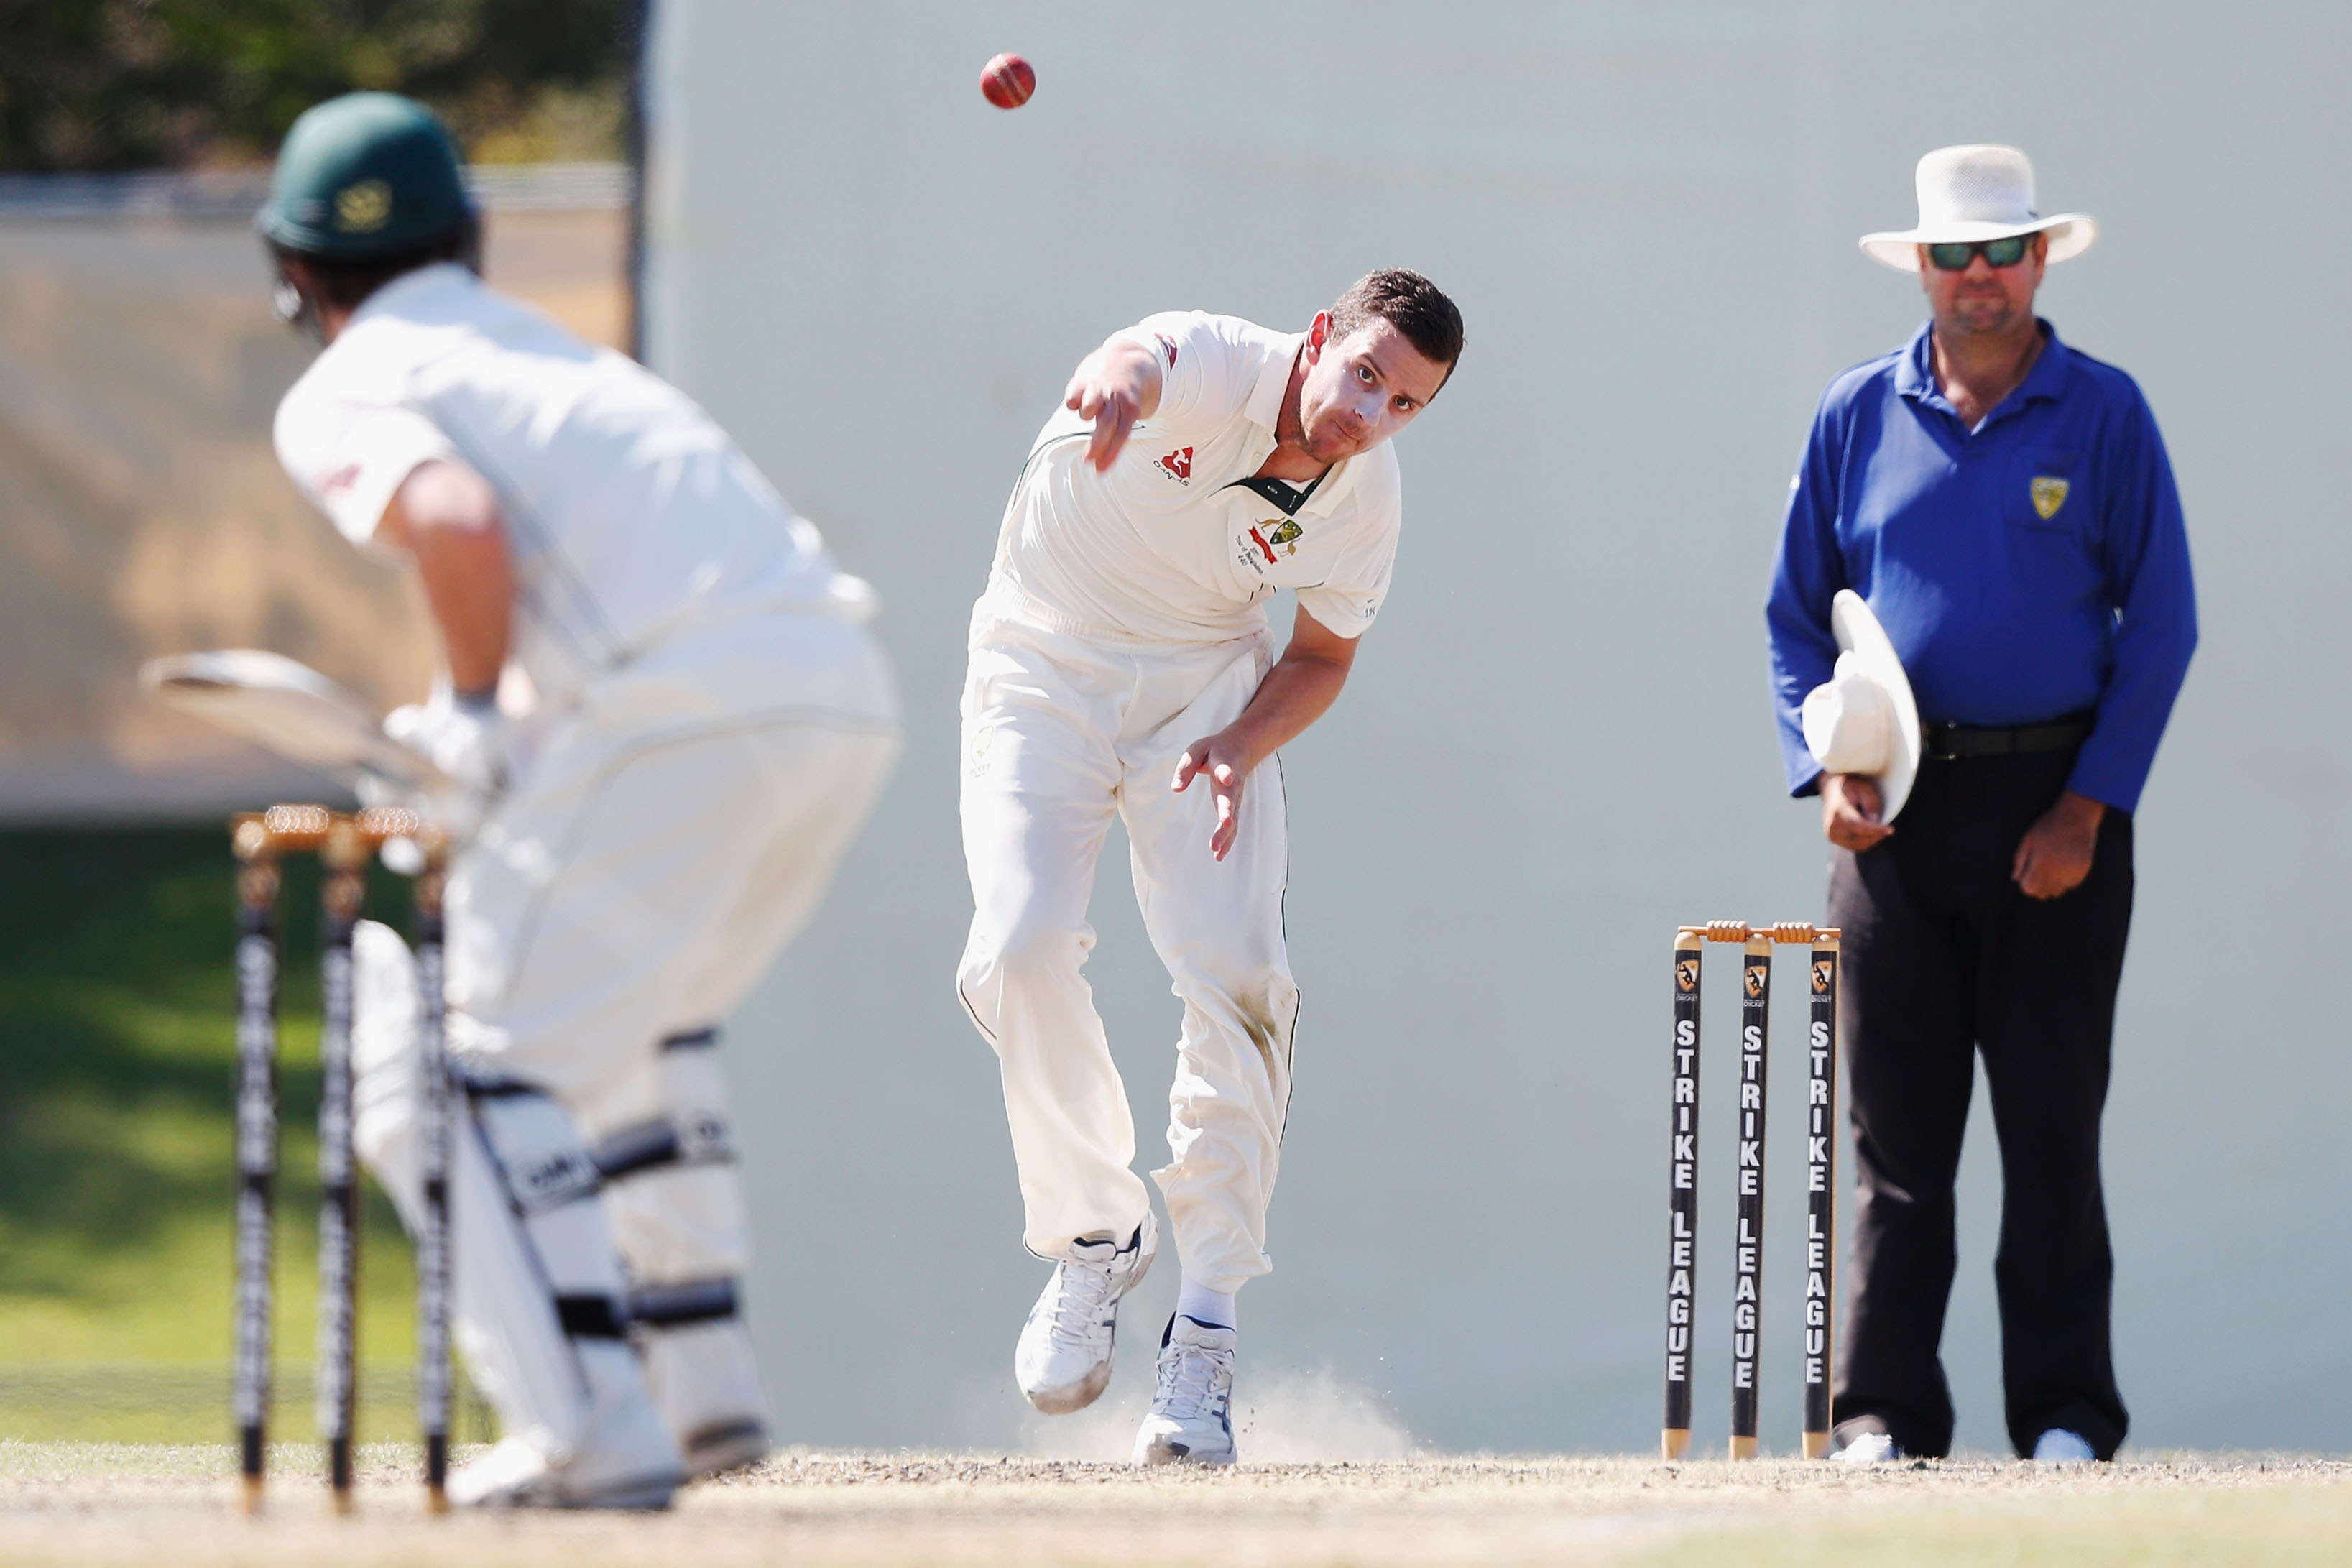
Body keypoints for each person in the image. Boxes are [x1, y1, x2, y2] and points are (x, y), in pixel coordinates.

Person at [258, 93, 900, 1507]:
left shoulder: (346, 385)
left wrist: (473, 716)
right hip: (835, 696)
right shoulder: (544, 354)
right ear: (467, 237)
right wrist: (497, 734)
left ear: (293, 270)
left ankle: (591, 1426)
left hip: (683, 708)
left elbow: (457, 523)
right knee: (619, 1024)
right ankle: (695, 1384)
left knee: (442, 1067)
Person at [956, 272, 1462, 1465]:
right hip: (1043, 664)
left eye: (1403, 405)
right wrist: (1117, 382)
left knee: (1239, 980)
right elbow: (1141, 358)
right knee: (1019, 948)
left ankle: (1206, 1332)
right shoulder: (1217, 359)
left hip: (1202, 692)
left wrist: (1239, 744)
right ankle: (1095, 1237)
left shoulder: (1365, 495)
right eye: (1364, 376)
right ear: (1321, 336)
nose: (1369, 416)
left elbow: (1322, 655)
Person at [1766, 145, 2197, 1465]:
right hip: (1890, 811)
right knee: (1895, 1145)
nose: (1978, 277)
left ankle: (2064, 1415)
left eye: (2001, 251)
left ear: (2039, 257)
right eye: (1952, 255)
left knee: (2052, 1128)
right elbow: (1794, 619)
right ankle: (1881, 1415)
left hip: (2053, 804)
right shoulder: (1856, 410)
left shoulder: (2103, 412)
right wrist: (1825, 765)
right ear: (1921, 267)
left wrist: (2088, 805)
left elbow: (2162, 624)